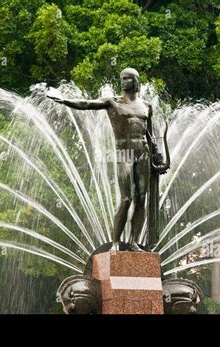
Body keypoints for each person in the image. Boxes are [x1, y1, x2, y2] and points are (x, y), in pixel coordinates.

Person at [47, 68, 152, 251]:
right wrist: (64, 100)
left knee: (141, 199)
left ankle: (134, 242)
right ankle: (115, 243)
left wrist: (157, 154)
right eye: (121, 79)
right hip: (124, 154)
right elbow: (87, 103)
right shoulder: (111, 102)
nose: (123, 82)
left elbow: (149, 134)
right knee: (126, 199)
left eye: (127, 79)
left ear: (135, 81)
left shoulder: (147, 106)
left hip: (143, 153)